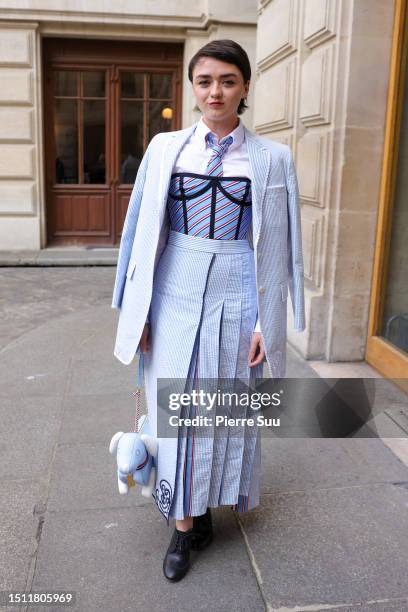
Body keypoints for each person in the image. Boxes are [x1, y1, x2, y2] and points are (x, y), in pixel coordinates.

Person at [111, 39, 306, 582]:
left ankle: (210, 504)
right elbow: (141, 234)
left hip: (240, 289)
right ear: (192, 87)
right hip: (174, 285)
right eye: (204, 81)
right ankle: (182, 526)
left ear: (244, 87)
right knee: (177, 411)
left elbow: (280, 249)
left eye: (227, 80)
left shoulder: (273, 158)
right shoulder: (165, 147)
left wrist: (270, 322)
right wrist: (138, 310)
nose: (215, 91)